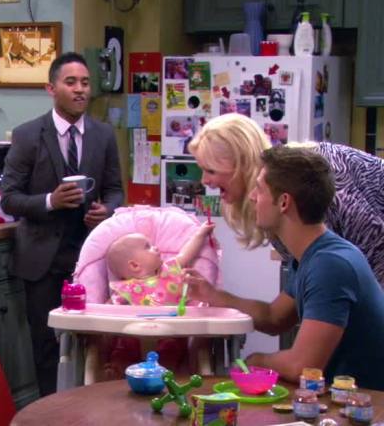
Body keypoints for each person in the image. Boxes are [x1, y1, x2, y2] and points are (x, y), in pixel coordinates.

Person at [184, 146, 384, 390]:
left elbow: (302, 366)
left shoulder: (330, 265)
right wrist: (213, 295)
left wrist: (257, 361)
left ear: (283, 202)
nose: (252, 197)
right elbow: (274, 317)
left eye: (259, 189)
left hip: (368, 403)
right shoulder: (312, 256)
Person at [0, 52, 123, 396]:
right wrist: (50, 201)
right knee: (47, 347)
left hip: (88, 258)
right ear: (51, 88)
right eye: (71, 82)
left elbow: (115, 189)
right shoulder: (28, 135)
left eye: (85, 82)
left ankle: (86, 411)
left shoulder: (103, 135)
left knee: (93, 345)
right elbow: (8, 198)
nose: (80, 89)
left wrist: (107, 210)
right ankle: (50, 414)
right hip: (42, 261)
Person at [188, 113, 384, 288]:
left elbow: (377, 255)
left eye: (211, 170)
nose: (204, 181)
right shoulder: (270, 203)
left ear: (242, 165)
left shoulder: (308, 177)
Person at [106, 221, 214, 306]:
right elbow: (105, 311)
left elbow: (186, 254)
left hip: (179, 323)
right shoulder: (127, 289)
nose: (156, 247)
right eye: (148, 247)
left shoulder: (169, 269)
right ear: (135, 265)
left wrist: (201, 234)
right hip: (142, 326)